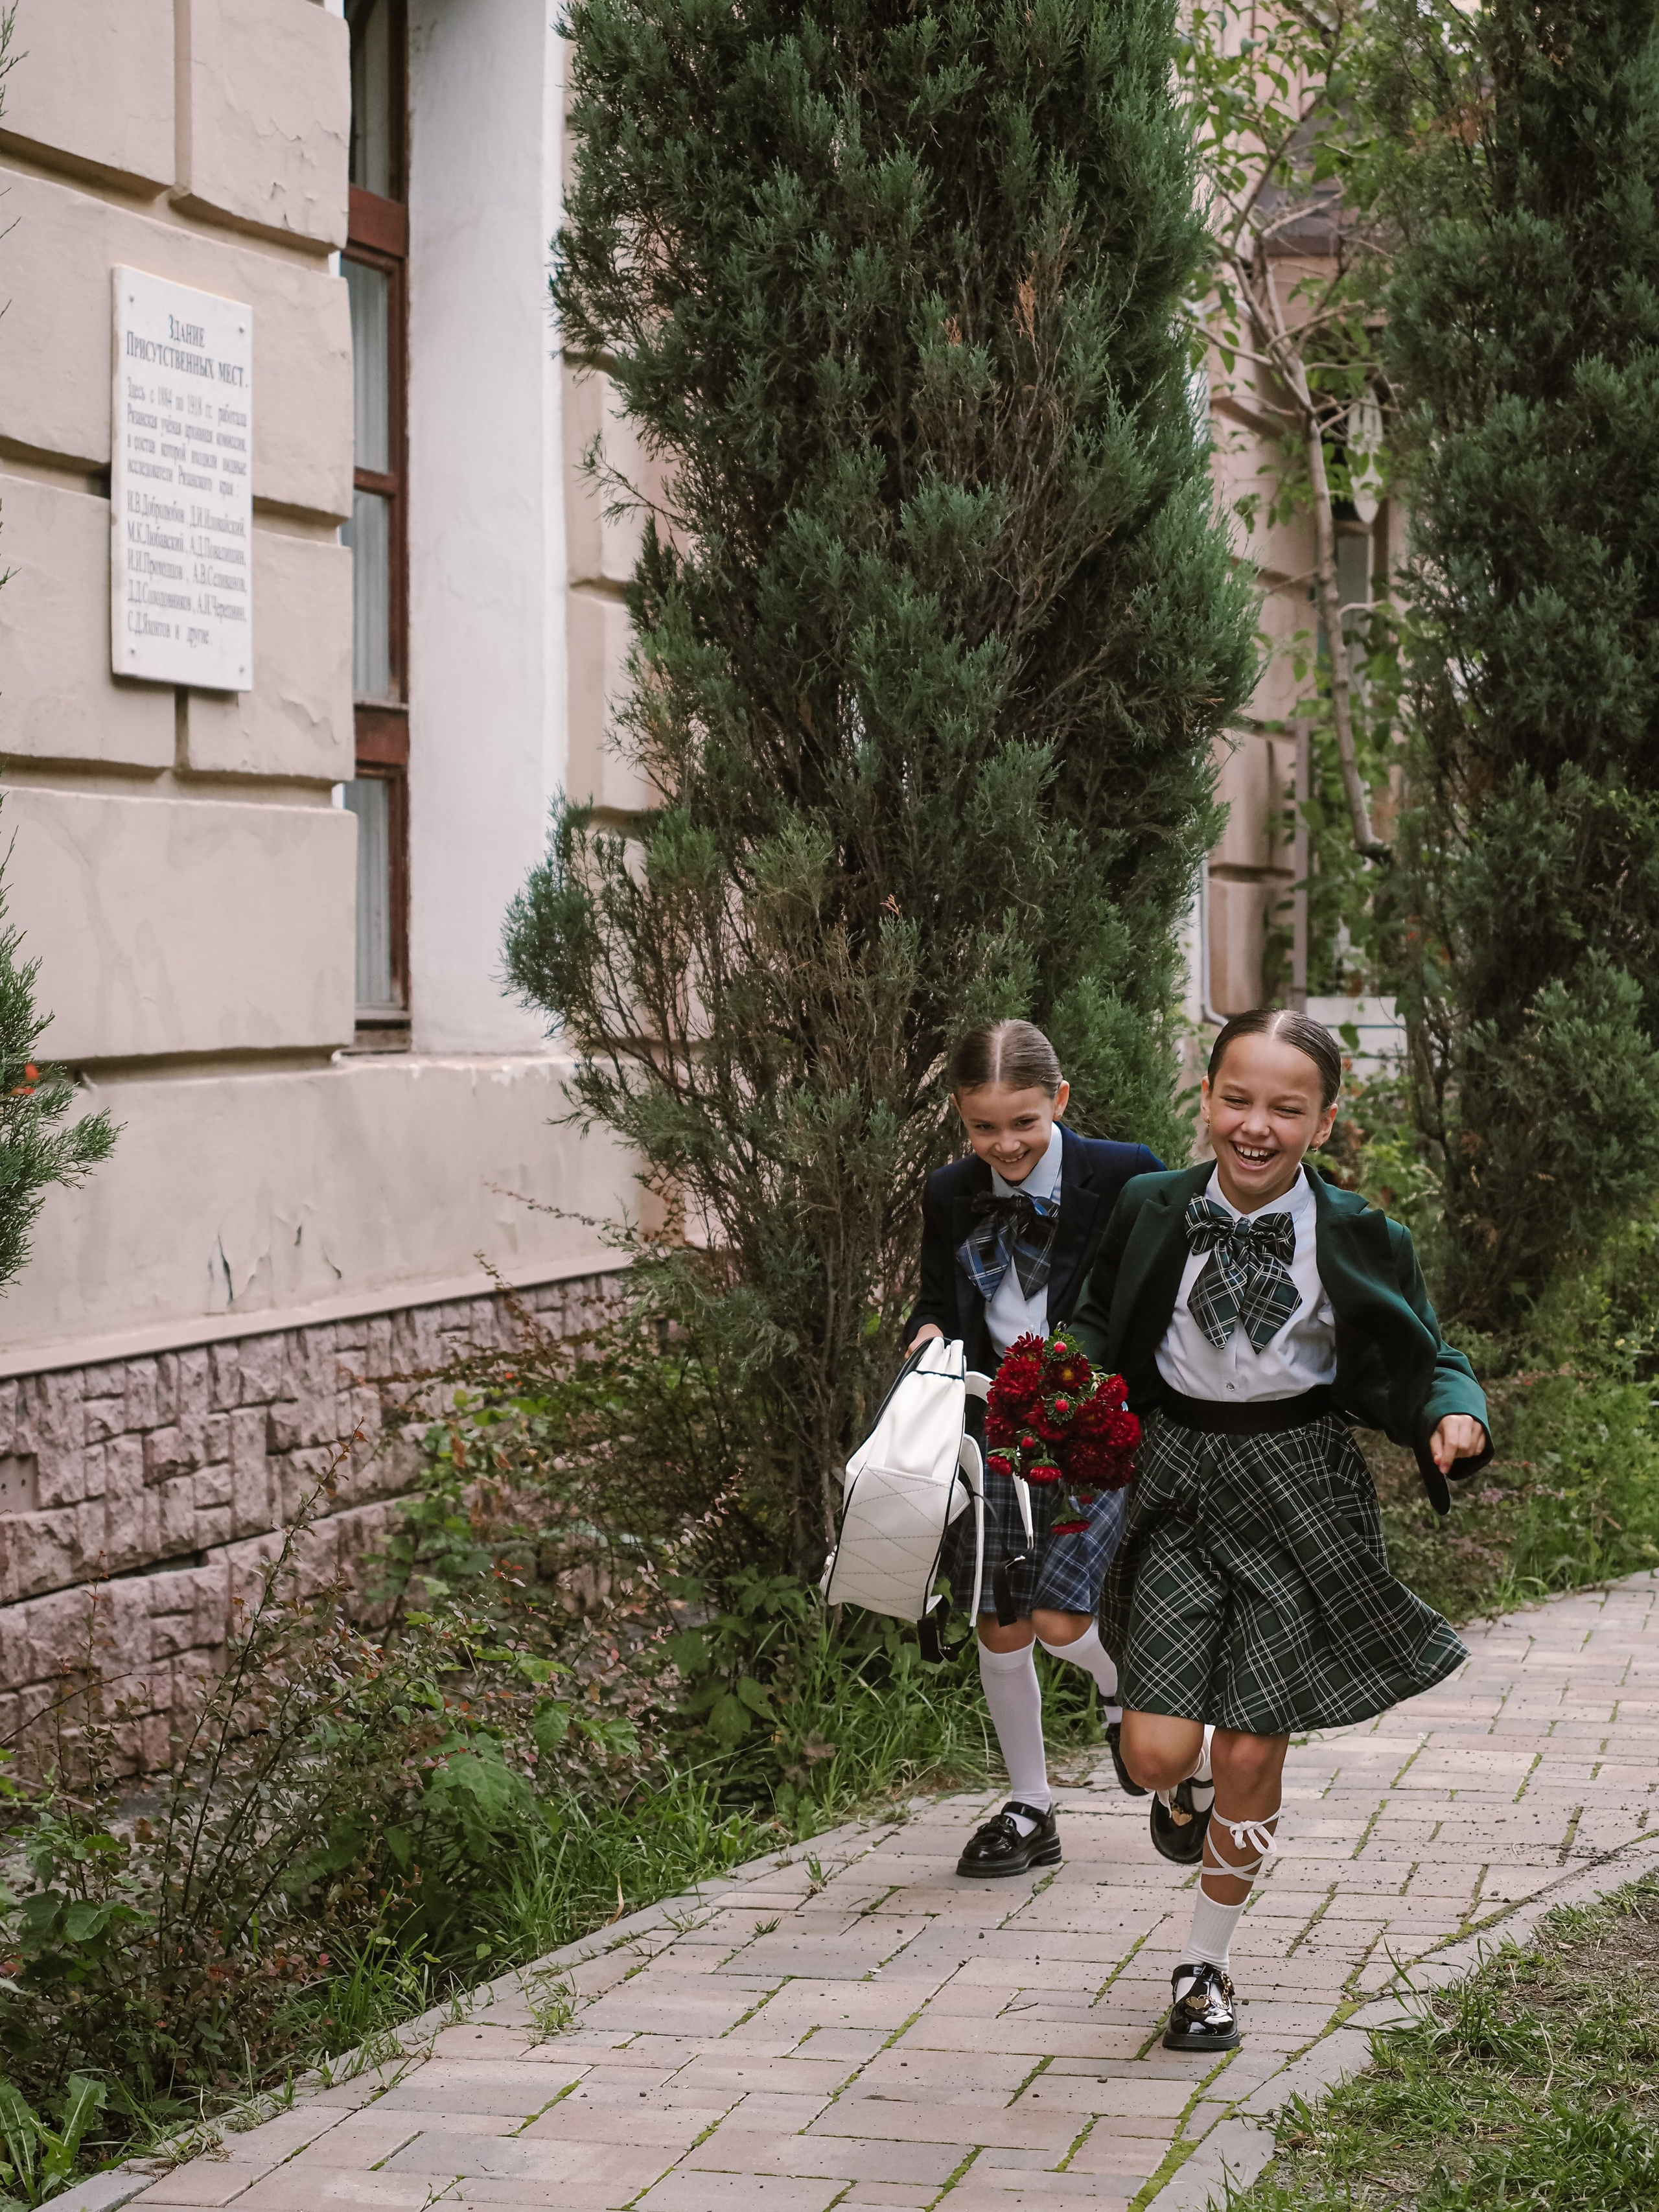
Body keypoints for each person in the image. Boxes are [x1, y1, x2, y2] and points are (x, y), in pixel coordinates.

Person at [1071, 1007, 1491, 2053]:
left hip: (1301, 1489)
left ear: (1325, 1119)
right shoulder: (1150, 1204)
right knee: (1160, 1749)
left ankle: (1205, 1965)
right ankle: (1188, 1788)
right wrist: (1065, 1383)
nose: (1256, 1125)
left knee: (1256, 1740)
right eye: (1237, 1099)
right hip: (1176, 1480)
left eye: (1286, 1108)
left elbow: (1426, 1348)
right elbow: (1092, 1315)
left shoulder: (1359, 1234)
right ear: (1206, 1097)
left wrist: (1455, 1411)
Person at [906, 1019, 1163, 1878]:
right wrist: (929, 1335)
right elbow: (935, 1299)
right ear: (961, 1118)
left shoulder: (1126, 1173)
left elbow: (1167, 1296)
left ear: (1057, 1100)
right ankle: (1031, 1806)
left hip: (1099, 1423)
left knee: (1062, 1619)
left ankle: (1124, 1681)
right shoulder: (948, 1192)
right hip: (991, 1425)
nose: (1005, 1144)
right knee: (1000, 1622)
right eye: (984, 1127)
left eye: (1023, 1122)